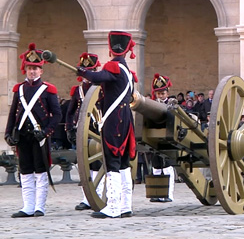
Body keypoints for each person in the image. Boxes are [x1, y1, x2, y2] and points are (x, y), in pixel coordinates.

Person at [77, 31, 137, 218]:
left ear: (110, 49)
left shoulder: (113, 66)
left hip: (114, 121)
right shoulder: (126, 69)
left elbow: (97, 77)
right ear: (127, 51)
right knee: (125, 163)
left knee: (112, 162)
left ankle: (113, 207)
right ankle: (126, 205)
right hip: (126, 118)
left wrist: (83, 72)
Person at [5, 43, 62, 218]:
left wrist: (46, 132)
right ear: (25, 69)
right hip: (23, 135)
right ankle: (27, 206)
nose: (32, 72)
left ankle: (39, 207)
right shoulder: (19, 89)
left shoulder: (48, 89)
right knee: (25, 171)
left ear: (41, 71)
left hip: (40, 136)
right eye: (30, 68)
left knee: (40, 171)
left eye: (36, 68)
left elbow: (57, 115)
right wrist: (8, 133)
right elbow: (13, 113)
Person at [66, 52, 102, 211]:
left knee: (98, 165)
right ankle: (86, 197)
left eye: (91, 70)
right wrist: (69, 128)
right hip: (83, 130)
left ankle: (99, 194)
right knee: (84, 165)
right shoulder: (78, 91)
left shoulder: (101, 89)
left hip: (98, 129)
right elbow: (70, 111)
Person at [150, 73, 175, 202]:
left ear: (167, 93)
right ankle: (157, 194)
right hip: (155, 139)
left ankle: (168, 195)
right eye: (158, 93)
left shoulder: (172, 104)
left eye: (162, 93)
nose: (160, 96)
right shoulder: (152, 104)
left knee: (167, 168)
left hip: (167, 139)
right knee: (156, 167)